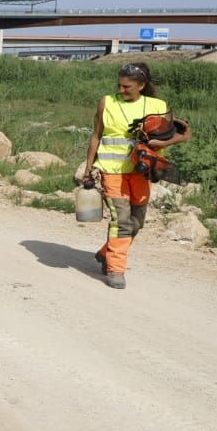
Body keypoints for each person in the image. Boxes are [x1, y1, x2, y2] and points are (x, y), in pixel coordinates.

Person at [82, 61, 192, 289]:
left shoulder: (157, 105)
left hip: (142, 171)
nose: (121, 90)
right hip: (112, 171)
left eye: (127, 87)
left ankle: (106, 254)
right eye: (119, 85)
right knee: (121, 220)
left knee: (136, 222)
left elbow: (176, 136)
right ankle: (116, 270)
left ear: (141, 85)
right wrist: (88, 170)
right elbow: (96, 136)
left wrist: (169, 140)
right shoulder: (107, 103)